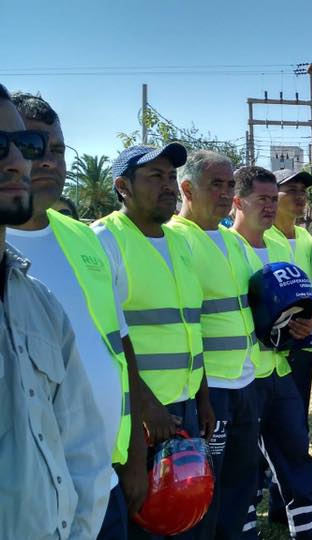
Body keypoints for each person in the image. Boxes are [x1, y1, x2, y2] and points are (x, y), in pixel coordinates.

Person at [8, 91, 146, 539]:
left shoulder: (88, 239)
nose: (45, 160)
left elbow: (117, 345)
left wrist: (134, 452)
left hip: (101, 484)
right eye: (31, 145)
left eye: (57, 149)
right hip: (32, 507)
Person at [91, 142, 216, 538]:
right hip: (139, 415)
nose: (168, 186)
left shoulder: (179, 242)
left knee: (182, 511)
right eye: (154, 177)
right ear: (122, 186)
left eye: (170, 177)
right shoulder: (103, 239)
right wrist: (146, 407)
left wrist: (203, 396)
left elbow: (190, 327)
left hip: (184, 408)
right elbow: (108, 337)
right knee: (144, 516)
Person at [229, 166, 312, 539]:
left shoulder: (280, 248)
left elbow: (297, 307)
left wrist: (305, 328)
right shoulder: (225, 247)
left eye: (274, 199)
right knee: (242, 465)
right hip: (241, 376)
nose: (271, 206)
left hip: (280, 370)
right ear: (237, 201)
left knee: (295, 453)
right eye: (263, 199)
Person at [167, 150, 262, 538]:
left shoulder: (233, 240)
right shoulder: (174, 239)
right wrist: (203, 393)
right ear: (187, 189)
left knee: (241, 478)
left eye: (229, 185)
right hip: (211, 388)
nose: (225, 194)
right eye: (215, 185)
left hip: (244, 380)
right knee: (207, 484)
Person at [266, 168, 312, 424]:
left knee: (297, 420)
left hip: (303, 344)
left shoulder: (306, 238)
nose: (300, 196)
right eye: (291, 190)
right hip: (270, 346)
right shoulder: (261, 237)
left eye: (303, 191)